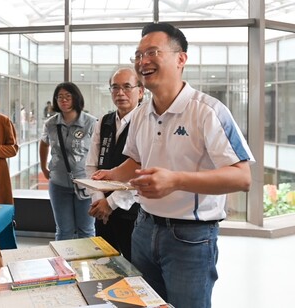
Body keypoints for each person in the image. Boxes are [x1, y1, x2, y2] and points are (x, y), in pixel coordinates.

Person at [92, 23, 254, 308]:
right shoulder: (142, 114)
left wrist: (176, 181)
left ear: (181, 59)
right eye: (138, 55)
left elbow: (242, 178)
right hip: (143, 227)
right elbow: (136, 162)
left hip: (191, 237)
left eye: (152, 52)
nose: (143, 61)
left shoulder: (208, 111)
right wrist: (110, 175)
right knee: (145, 304)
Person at [86, 67, 144, 261]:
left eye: (127, 87)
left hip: (133, 211)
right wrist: (99, 198)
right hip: (102, 211)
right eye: (115, 87)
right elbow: (92, 165)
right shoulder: (104, 121)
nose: (120, 93)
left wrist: (110, 204)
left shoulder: (147, 122)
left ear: (141, 91)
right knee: (103, 265)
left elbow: (142, 171)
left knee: (133, 267)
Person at [39, 82, 97, 240]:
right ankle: (63, 265)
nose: (63, 100)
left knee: (86, 229)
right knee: (64, 230)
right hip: (58, 184)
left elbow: (98, 152)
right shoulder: (51, 124)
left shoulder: (91, 123)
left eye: (68, 96)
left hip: (85, 184)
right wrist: (44, 167)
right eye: (60, 97)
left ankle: (88, 264)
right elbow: (43, 143)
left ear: (76, 98)